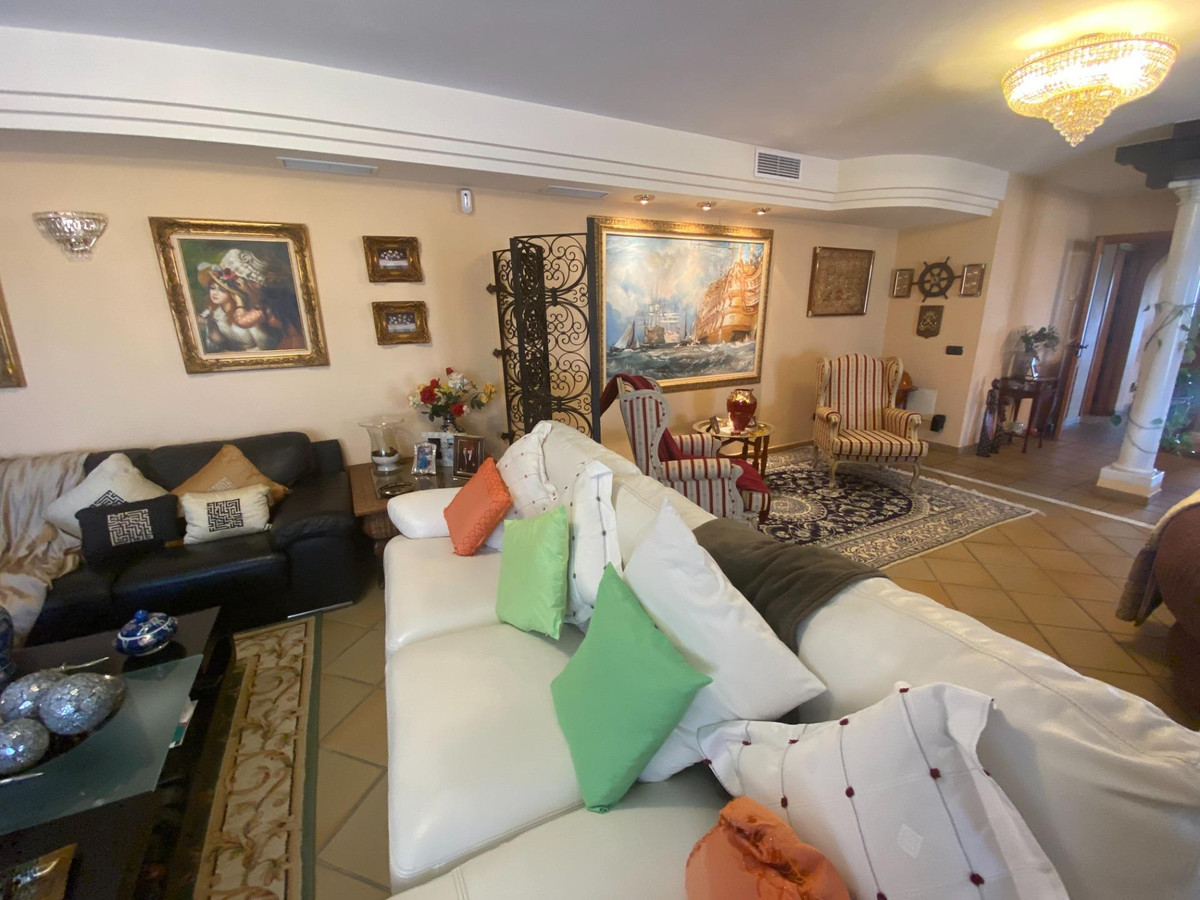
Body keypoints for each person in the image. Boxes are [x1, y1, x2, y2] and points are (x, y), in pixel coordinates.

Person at [196, 248, 305, 353]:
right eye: (212, 288)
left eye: (241, 281)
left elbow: (243, 322)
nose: (238, 284)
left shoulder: (266, 304)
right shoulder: (262, 300)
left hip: (296, 343)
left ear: (255, 284)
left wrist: (239, 300)